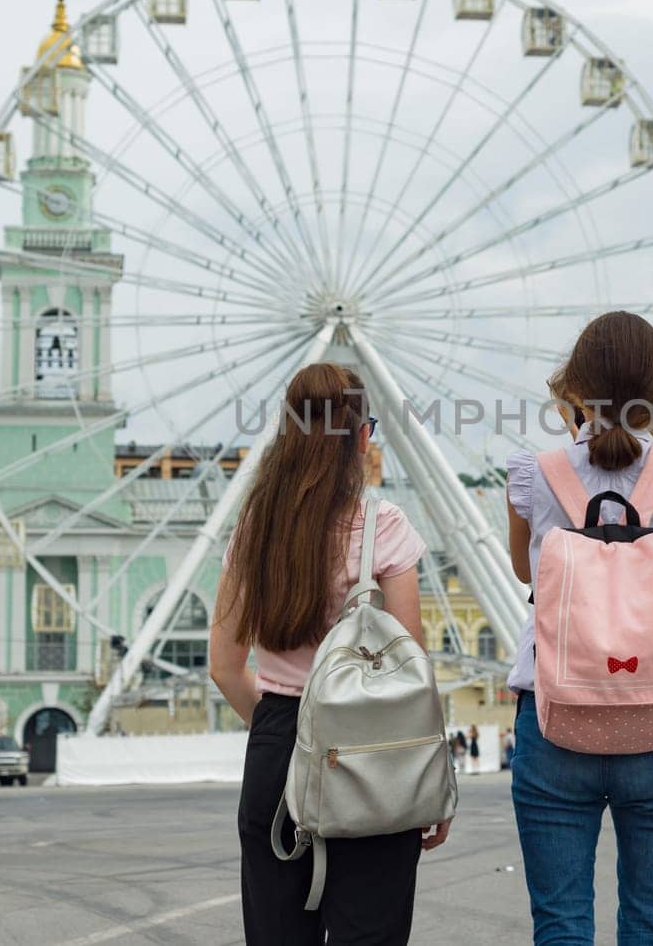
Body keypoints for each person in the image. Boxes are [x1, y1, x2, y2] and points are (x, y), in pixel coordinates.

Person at [505, 311, 653, 944]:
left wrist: (584, 414)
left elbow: (525, 571)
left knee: (560, 924)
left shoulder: (532, 474)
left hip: (555, 714)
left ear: (573, 390)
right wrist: (649, 414)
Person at [210, 363, 450, 942]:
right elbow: (408, 668)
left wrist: (292, 735)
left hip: (279, 746)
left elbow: (224, 666)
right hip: (373, 753)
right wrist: (433, 778)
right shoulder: (384, 527)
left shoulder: (254, 530)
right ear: (363, 437)